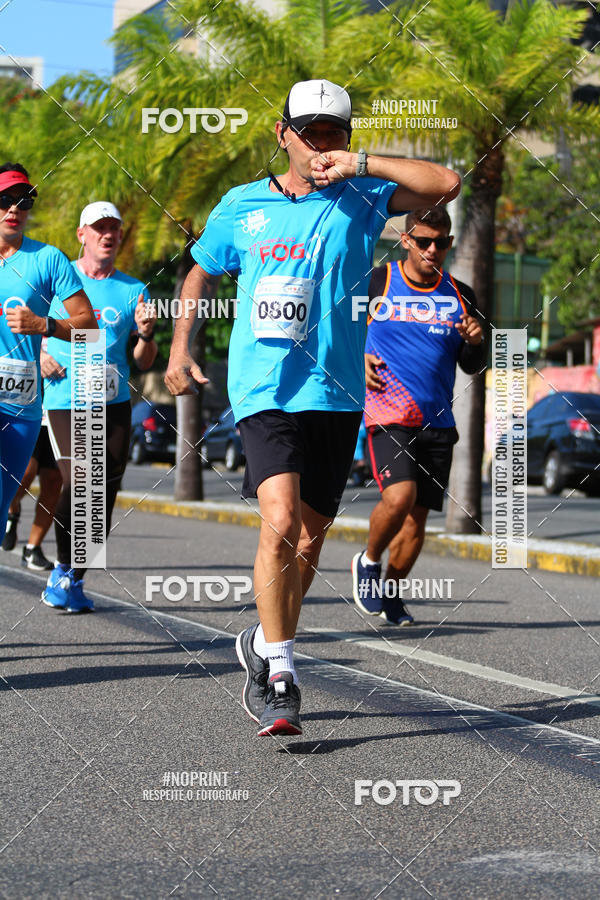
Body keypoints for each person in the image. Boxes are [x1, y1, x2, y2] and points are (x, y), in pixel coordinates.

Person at [165, 79, 460, 736]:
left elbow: (445, 184)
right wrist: (180, 346)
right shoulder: (241, 205)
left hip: (336, 394)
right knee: (278, 521)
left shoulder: (365, 195)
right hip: (264, 389)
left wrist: (361, 163)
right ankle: (281, 675)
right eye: (309, 132)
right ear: (283, 134)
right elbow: (200, 270)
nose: (321, 143)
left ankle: (262, 641)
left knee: (309, 537)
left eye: (334, 132)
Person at [352, 206, 485, 625]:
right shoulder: (376, 282)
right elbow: (338, 332)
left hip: (438, 422)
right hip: (388, 413)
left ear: (449, 243)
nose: (432, 250)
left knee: (416, 521)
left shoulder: (462, 295)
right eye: (424, 241)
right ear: (406, 240)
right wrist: (358, 358)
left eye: (440, 243)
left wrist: (477, 342)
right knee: (400, 497)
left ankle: (391, 594)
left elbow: (472, 366)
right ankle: (369, 561)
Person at [41, 201, 157, 612]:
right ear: (82, 235)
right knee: (80, 481)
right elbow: (22, 325)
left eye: (114, 229)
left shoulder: (133, 289)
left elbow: (144, 361)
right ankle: (60, 568)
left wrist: (146, 335)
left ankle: (75, 577)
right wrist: (41, 353)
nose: (108, 235)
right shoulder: (58, 280)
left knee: (104, 489)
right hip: (65, 398)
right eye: (99, 228)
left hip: (113, 402)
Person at [0, 162, 96, 544]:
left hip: (20, 404)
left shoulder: (48, 259)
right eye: (5, 199)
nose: (14, 208)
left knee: (3, 501)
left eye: (24, 201)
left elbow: (89, 327)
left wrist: (44, 325)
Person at [2, 405, 62, 571]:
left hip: (62, 411)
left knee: (54, 481)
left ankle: (32, 549)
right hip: (31, 411)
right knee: (25, 473)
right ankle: (11, 509)